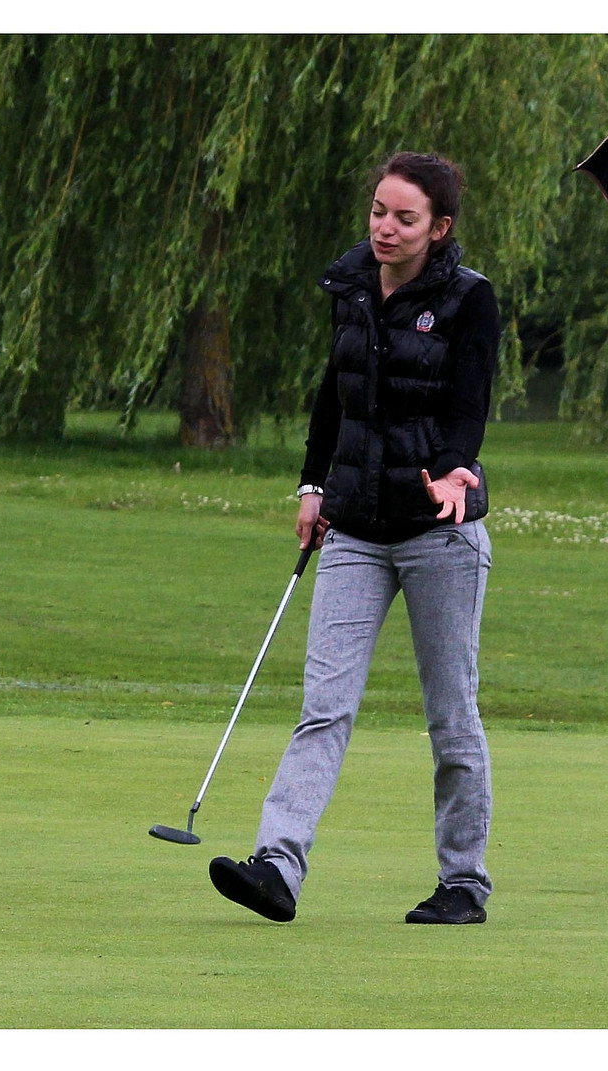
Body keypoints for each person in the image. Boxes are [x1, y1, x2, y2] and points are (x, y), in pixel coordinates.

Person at [208, 152, 502, 926]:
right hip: (355, 529)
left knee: (450, 713)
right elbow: (332, 396)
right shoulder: (348, 289)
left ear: (438, 229)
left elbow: (469, 404)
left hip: (440, 531)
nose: (384, 227)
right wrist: (312, 486)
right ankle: (277, 865)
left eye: (404, 218)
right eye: (378, 211)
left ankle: (462, 880)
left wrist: (452, 470)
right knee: (323, 706)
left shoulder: (470, 300)